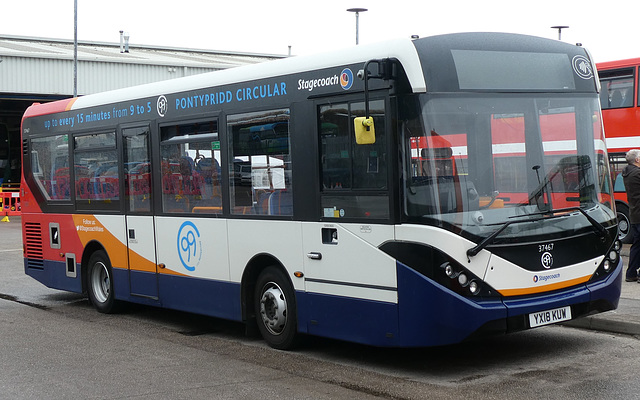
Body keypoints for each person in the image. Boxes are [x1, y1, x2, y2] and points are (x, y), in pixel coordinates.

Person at [622, 149, 640, 281]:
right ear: (637, 160)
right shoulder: (637, 173)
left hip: (634, 214)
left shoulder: (627, 173)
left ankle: (631, 273)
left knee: (637, 245)